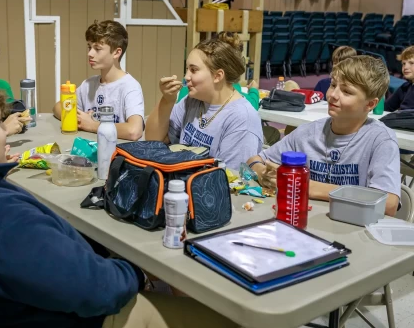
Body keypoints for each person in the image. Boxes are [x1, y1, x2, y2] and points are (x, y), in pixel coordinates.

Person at [0, 73, 239, 328]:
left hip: (22, 305)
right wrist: (139, 274)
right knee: (227, 316)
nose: (5, 131)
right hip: (86, 317)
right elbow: (100, 291)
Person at [247, 56, 400, 216]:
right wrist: (264, 173)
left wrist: (307, 186)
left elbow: (389, 203)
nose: (333, 95)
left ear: (370, 104)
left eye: (346, 92)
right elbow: (254, 160)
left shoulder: (380, 140)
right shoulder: (307, 132)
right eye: (333, 85)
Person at [145, 32, 263, 170]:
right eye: (187, 69)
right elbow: (153, 140)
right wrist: (167, 100)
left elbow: (230, 181)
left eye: (193, 70)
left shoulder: (242, 119)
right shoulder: (192, 100)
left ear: (217, 76)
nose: (186, 77)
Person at [53, 20, 144, 141]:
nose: (90, 53)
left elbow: (134, 131)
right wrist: (78, 119)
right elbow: (58, 107)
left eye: (97, 49)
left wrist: (92, 125)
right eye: (89, 47)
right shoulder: (88, 84)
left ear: (116, 53)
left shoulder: (130, 87)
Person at [385, 45, 414, 112]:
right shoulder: (405, 87)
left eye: (411, 63)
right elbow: (387, 107)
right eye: (404, 63)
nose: (405, 67)